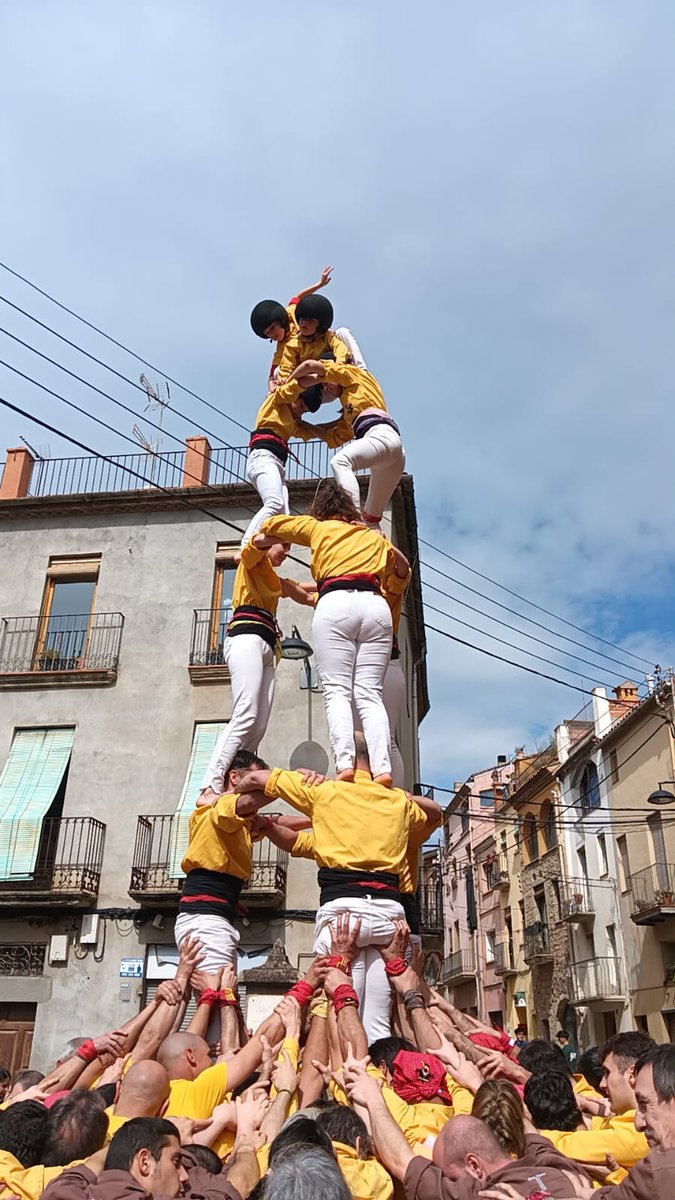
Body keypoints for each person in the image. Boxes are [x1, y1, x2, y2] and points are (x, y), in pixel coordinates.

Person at [235, 738, 429, 1041]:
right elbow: (433, 814)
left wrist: (232, 795)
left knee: (338, 1007)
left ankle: (344, 1075)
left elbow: (255, 778)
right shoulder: (397, 802)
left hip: (343, 914)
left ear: (343, 758)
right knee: (379, 1016)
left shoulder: (324, 792)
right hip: (389, 918)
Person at [257, 481, 410, 783]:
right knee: (369, 694)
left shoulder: (318, 528)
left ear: (323, 510)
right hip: (374, 606)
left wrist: (267, 536)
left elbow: (271, 524)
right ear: (350, 511)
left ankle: (345, 764)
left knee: (337, 690)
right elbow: (402, 566)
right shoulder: (372, 537)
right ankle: (382, 769)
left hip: (335, 604)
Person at [198, 538, 313, 798]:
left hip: (267, 647)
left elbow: (304, 592)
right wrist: (277, 527)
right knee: (246, 714)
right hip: (245, 637)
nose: (286, 552)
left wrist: (342, 585)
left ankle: (235, 781)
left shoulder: (272, 578)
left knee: (259, 725)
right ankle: (210, 785)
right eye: (283, 546)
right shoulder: (251, 562)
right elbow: (252, 547)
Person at [280, 357, 404, 530]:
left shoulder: (352, 374)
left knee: (339, 462)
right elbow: (330, 436)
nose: (327, 388)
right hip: (392, 458)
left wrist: (287, 385)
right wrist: (301, 425)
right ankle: (378, 549)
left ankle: (352, 517)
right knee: (372, 519)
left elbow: (309, 365)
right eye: (323, 388)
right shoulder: (349, 414)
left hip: (382, 436)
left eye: (325, 384)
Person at [250, 265, 334, 390]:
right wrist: (271, 391)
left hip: (326, 351)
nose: (272, 335)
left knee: (342, 333)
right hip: (313, 368)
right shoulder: (282, 348)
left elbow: (297, 297)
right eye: (267, 334)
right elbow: (272, 375)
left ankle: (358, 367)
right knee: (278, 372)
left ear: (280, 320)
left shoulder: (293, 313)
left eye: (272, 328)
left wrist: (320, 284)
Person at [277, 292, 367, 381]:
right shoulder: (293, 344)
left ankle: (362, 371)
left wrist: (339, 364)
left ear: (320, 324)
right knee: (278, 372)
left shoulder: (327, 336)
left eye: (310, 320)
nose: (304, 323)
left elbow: (340, 348)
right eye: (303, 319)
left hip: (335, 372)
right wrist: (283, 379)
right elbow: (286, 367)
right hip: (314, 384)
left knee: (342, 331)